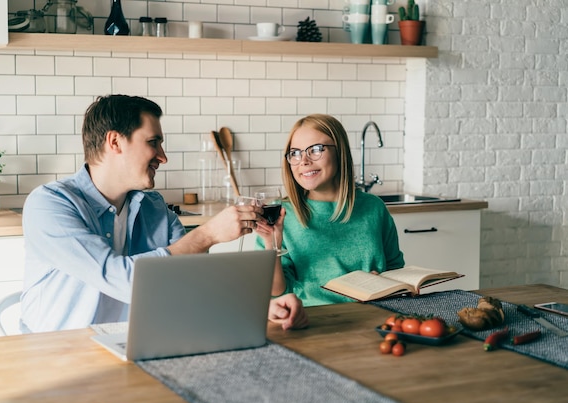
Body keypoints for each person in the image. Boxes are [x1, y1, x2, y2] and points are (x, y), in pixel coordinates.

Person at [21, 94, 308, 332]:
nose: (163, 156)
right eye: (153, 142)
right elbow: (122, 279)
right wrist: (207, 234)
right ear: (115, 142)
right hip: (56, 355)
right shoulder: (51, 205)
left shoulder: (154, 208)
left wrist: (259, 306)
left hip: (133, 348)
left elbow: (193, 285)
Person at [255, 114, 404, 307]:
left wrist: (382, 282)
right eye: (295, 153)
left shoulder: (373, 208)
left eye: (316, 150)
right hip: (312, 319)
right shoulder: (280, 215)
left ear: (339, 152)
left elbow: (396, 269)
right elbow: (277, 293)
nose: (304, 161)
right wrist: (271, 244)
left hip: (374, 314)